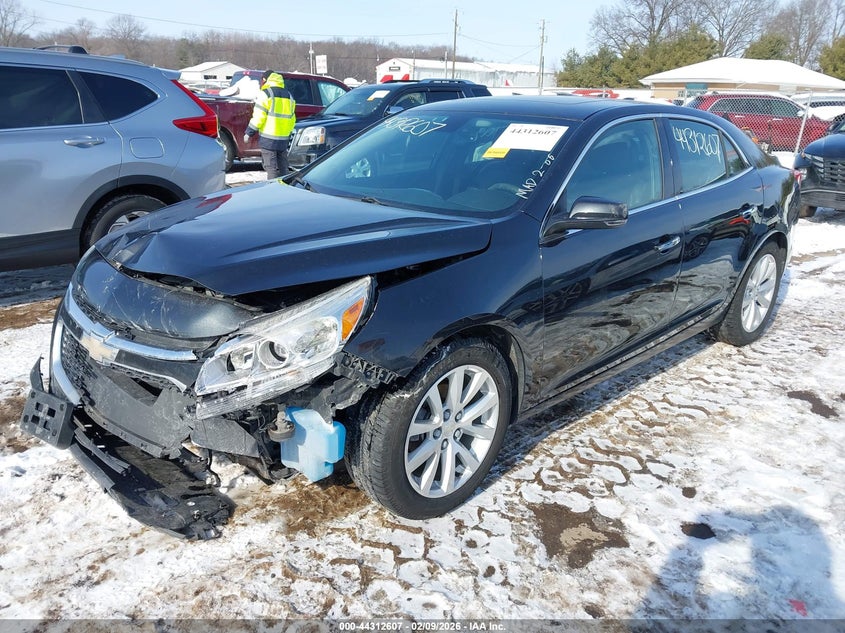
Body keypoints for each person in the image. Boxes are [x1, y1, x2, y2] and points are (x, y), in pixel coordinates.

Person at [244, 70, 296, 178]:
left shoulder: (266, 94)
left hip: (268, 139)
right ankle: (285, 190)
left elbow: (259, 117)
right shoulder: (289, 96)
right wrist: (288, 133)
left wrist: (249, 132)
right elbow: (292, 119)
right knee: (283, 167)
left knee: (271, 168)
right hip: (283, 139)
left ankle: (272, 190)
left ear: (265, 80)